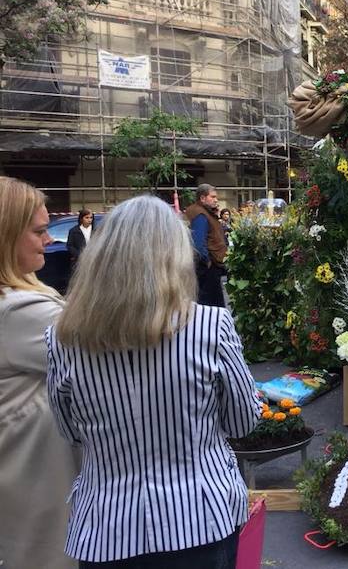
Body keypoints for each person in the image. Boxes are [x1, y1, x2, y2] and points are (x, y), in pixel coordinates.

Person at [47, 195, 260, 567]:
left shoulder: (63, 336)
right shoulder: (210, 327)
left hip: (105, 528)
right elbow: (243, 421)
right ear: (175, 256)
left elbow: (70, 431)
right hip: (200, 518)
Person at [0, 176, 79, 569]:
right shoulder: (18, 311)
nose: (48, 240)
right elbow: (113, 348)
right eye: (39, 231)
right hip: (38, 488)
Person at [185, 183, 227, 307]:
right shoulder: (200, 214)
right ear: (202, 198)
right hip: (208, 268)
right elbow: (198, 243)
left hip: (210, 265)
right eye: (212, 197)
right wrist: (207, 261)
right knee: (211, 304)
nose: (216, 200)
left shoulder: (203, 212)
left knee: (210, 303)